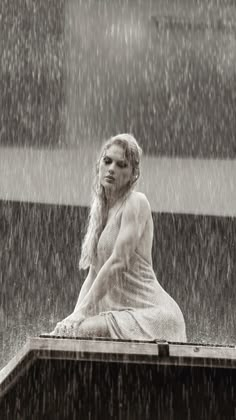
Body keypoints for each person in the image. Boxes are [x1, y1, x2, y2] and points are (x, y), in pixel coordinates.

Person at [50, 133, 187, 342]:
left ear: (133, 174)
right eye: (108, 161)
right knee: (66, 333)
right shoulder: (102, 212)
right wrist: (74, 316)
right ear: (99, 165)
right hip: (124, 315)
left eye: (122, 164)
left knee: (77, 334)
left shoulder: (136, 202)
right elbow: (93, 275)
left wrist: (81, 316)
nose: (112, 168)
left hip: (153, 315)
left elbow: (118, 262)